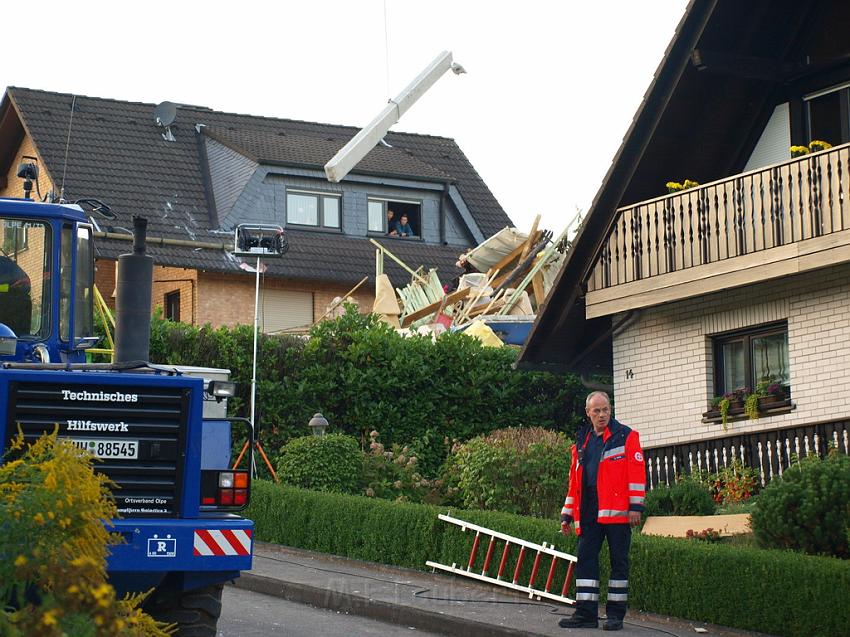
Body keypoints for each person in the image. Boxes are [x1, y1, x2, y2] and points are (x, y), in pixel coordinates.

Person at [558, 391, 645, 632]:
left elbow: (636, 474)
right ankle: (586, 614)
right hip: (588, 510)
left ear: (610, 410)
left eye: (605, 409)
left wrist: (636, 507)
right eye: (596, 411)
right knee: (585, 560)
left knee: (619, 563)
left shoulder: (627, 436)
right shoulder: (581, 441)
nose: (602, 414)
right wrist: (567, 513)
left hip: (618, 513)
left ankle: (615, 616)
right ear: (588, 413)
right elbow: (574, 483)